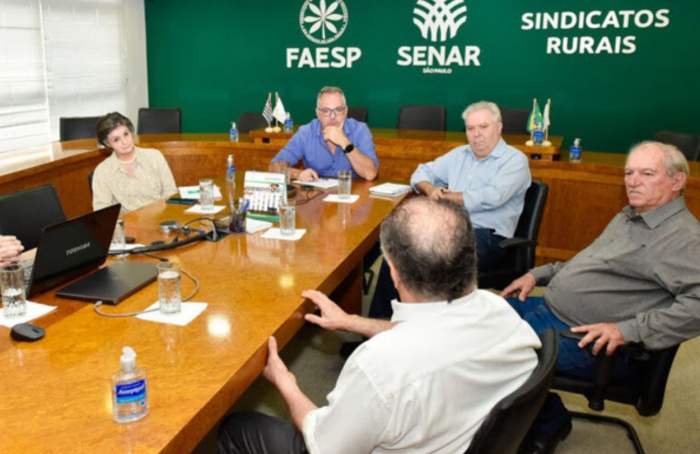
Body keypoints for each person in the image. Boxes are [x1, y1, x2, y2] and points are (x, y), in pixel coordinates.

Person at [218, 197, 541, 453]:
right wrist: (351, 321)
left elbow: (323, 444)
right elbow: (434, 335)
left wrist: (284, 381)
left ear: (393, 273)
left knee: (238, 427)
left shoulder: (379, 366)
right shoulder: (500, 311)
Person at [501, 141, 700, 454]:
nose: (633, 181)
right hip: (547, 307)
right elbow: (589, 263)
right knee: (471, 317)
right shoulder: (631, 215)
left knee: (488, 352)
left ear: (677, 182)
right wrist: (537, 275)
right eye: (629, 173)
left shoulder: (685, 239)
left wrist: (627, 330)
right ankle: (542, 406)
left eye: (647, 173)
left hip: (587, 340)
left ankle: (547, 419)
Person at [368, 100, 531, 320]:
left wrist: (445, 197)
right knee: (398, 258)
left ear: (499, 127)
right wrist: (431, 189)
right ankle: (376, 332)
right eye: (470, 129)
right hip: (447, 230)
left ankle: (426, 337)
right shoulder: (459, 155)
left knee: (428, 263)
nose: (476, 134)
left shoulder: (515, 161)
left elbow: (491, 197)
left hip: (486, 236)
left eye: (483, 127)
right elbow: (420, 173)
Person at [269, 86, 379, 181]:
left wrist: (344, 142)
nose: (332, 116)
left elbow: (370, 174)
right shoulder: (306, 133)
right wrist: (297, 174)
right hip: (317, 199)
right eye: (326, 111)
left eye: (338, 110)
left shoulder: (360, 130)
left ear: (345, 111)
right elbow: (274, 167)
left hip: (353, 197)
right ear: (318, 113)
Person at [92, 112, 177, 212]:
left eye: (126, 134)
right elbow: (102, 211)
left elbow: (171, 193)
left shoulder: (154, 156)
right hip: (126, 224)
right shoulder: (102, 171)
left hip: (160, 220)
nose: (125, 142)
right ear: (107, 143)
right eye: (116, 139)